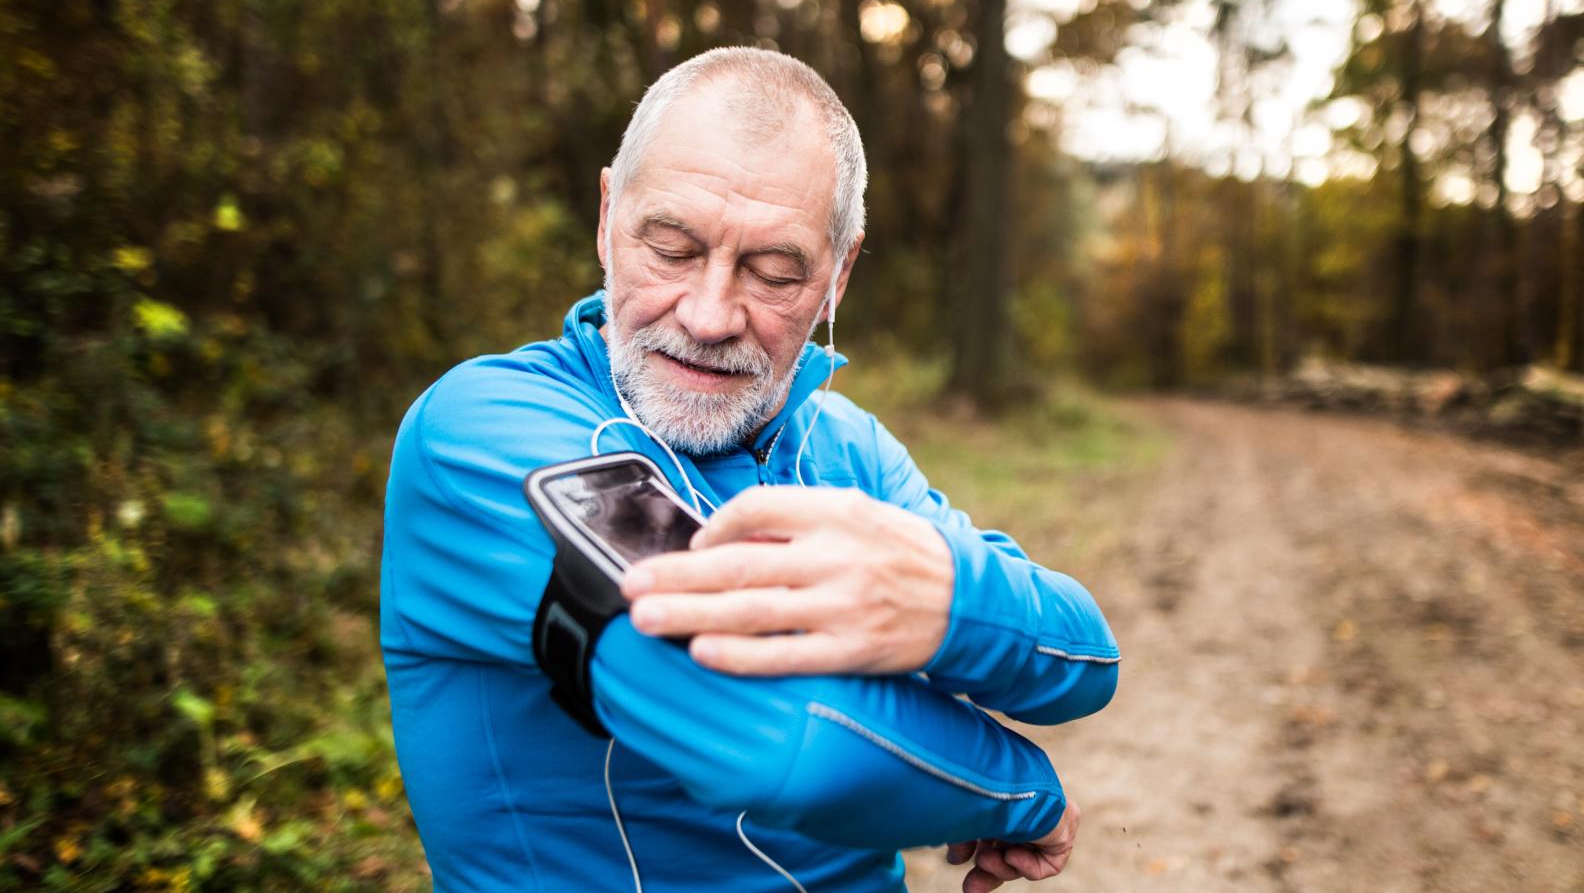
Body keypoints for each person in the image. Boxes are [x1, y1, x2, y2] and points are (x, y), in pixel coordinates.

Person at [380, 46, 1120, 893]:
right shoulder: (487, 431)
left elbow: (1085, 656)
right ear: (606, 213)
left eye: (774, 272)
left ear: (838, 275)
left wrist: (946, 595)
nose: (707, 315)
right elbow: (782, 740)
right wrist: (1024, 794)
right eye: (670, 248)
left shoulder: (844, 443)